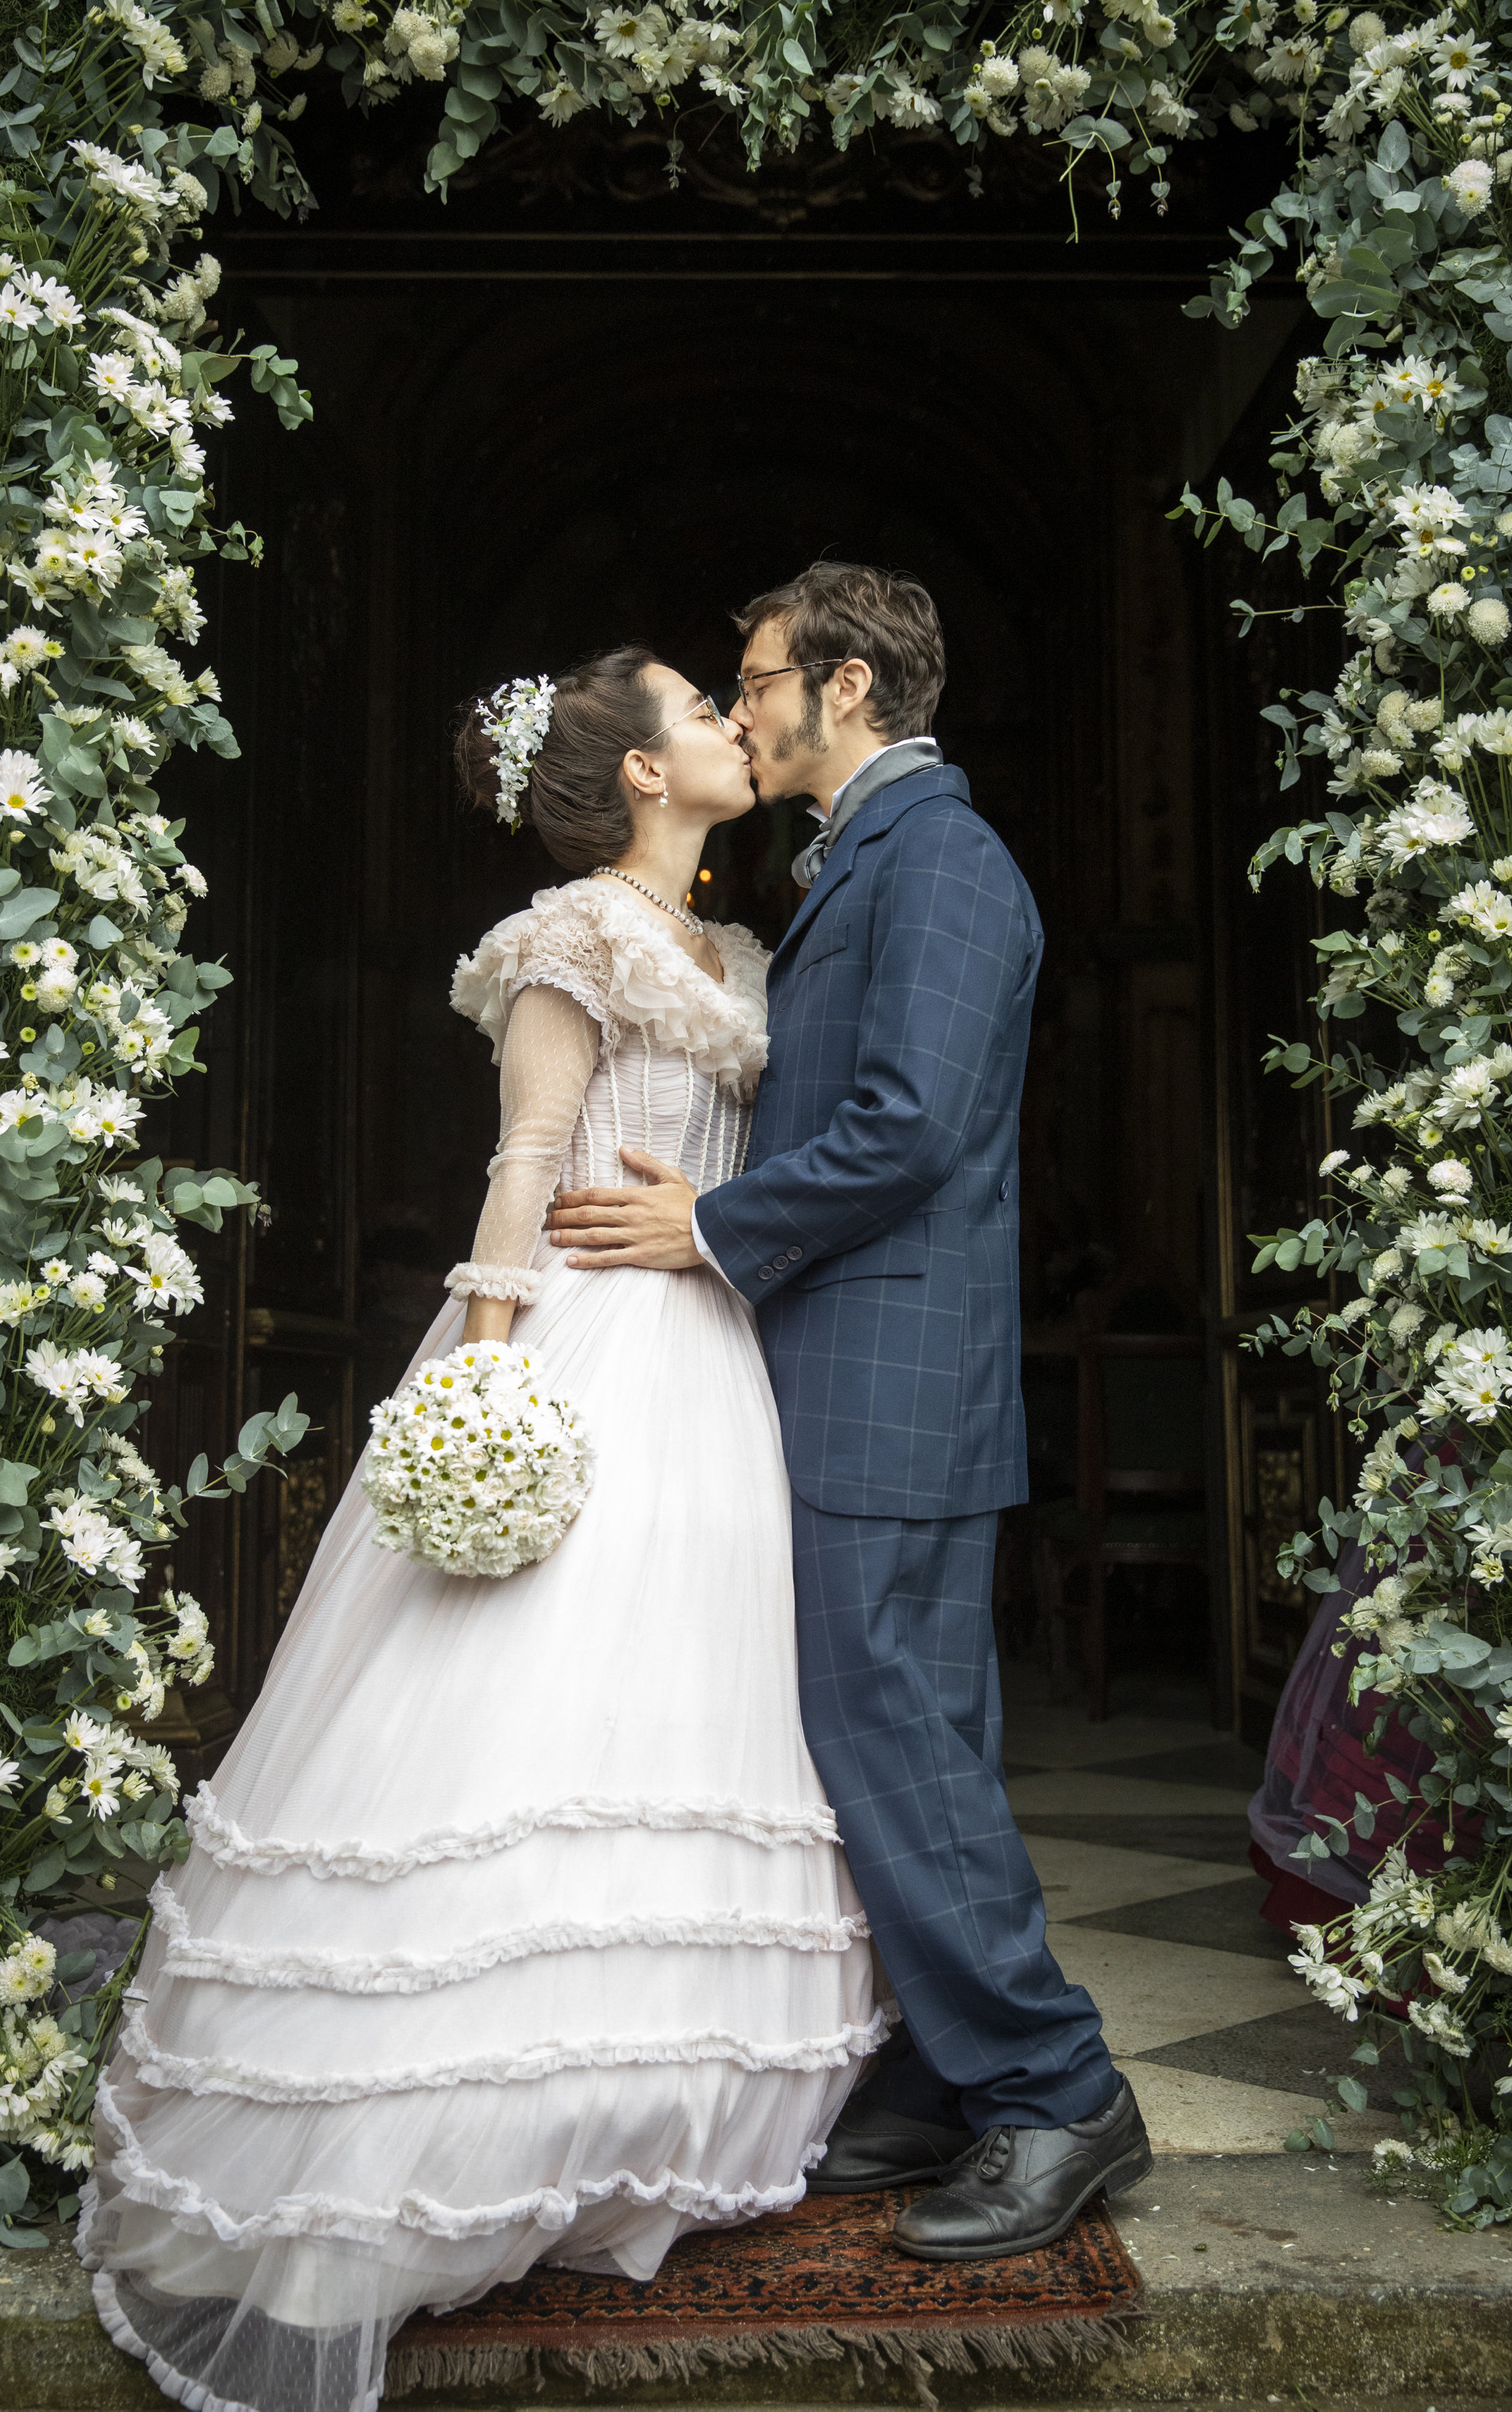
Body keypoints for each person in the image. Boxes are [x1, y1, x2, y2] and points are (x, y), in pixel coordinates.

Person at [81, 647, 881, 2412]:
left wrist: (724, 1220)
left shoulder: (735, 954)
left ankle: (642, 2110)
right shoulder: (565, 938)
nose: (729, 724)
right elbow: (526, 1160)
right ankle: (434, 2129)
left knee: (682, 1703)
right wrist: (486, 1383)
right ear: (640, 777)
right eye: (696, 709)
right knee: (518, 1699)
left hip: (713, 1362)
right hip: (582, 1349)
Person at [548, 562, 1151, 2262]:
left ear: (850, 690)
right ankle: (947, 2071)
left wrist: (708, 1227)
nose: (741, 708)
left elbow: (907, 1127)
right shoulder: (861, 858)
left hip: (891, 1379)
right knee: (893, 1735)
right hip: (841, 1372)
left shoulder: (943, 857)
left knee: (891, 1733)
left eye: (758, 680)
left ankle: (1053, 2088)